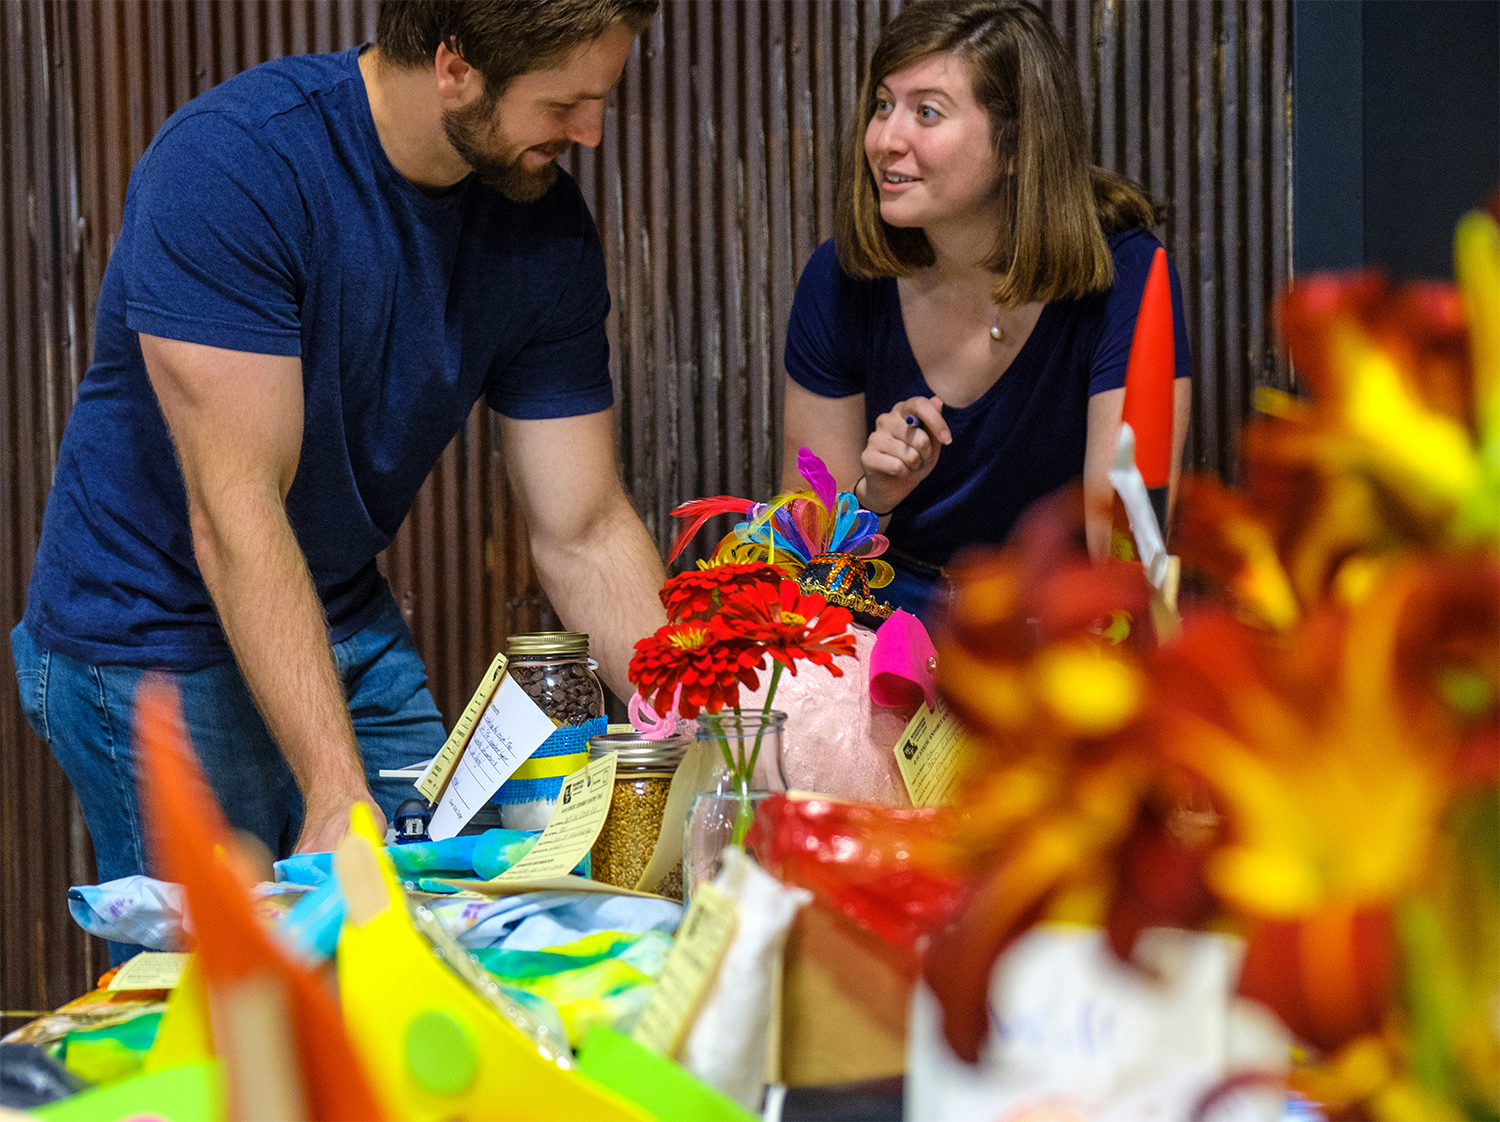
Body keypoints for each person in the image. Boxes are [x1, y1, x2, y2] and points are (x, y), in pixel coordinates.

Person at [11, 0, 668, 954]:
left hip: (337, 609)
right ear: (455, 67)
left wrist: (710, 729)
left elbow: (587, 528)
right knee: (233, 993)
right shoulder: (234, 166)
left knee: (439, 940)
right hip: (151, 628)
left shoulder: (542, 224)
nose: (591, 133)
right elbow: (236, 512)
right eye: (564, 103)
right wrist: (334, 789)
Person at [782, 0, 1192, 620]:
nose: (885, 139)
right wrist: (875, 496)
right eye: (883, 105)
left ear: (1017, 144)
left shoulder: (1128, 276)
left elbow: (1122, 557)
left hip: (1046, 620)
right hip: (878, 617)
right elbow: (807, 564)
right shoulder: (839, 277)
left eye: (926, 112)